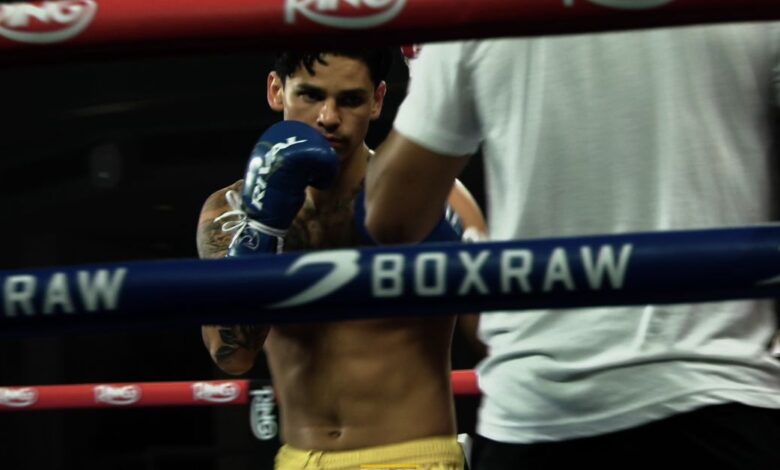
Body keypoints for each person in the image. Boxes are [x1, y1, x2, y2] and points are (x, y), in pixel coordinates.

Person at [365, 24, 780, 469]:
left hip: (544, 407)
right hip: (723, 391)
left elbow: (391, 216)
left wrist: (433, 78)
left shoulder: (486, 14)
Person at [197, 49, 487, 470]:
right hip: (299, 458)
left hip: (410, 456)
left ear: (377, 100)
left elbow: (492, 339)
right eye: (311, 96)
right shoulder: (230, 210)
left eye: (350, 100)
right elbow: (232, 356)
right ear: (277, 90)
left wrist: (462, 255)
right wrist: (264, 230)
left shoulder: (430, 196)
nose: (329, 117)